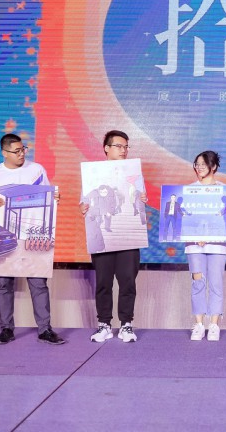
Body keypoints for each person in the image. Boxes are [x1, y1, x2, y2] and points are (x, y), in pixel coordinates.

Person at [0, 134, 65, 346]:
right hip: (3, 233)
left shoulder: (36, 170)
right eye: (16, 151)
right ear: (4, 153)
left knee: (38, 282)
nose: (21, 154)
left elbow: (46, 195)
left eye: (23, 149)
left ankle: (45, 329)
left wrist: (53, 198)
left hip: (33, 233)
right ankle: (6, 329)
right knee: (4, 283)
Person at [82, 130, 143, 343]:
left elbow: (137, 201)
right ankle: (104, 324)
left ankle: (126, 324)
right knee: (103, 282)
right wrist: (84, 207)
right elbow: (86, 202)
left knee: (127, 281)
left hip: (128, 235)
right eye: (119, 146)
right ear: (106, 148)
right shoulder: (93, 174)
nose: (123, 150)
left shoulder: (134, 174)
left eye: (126, 146)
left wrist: (142, 199)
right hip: (104, 236)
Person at [186, 150, 226, 341]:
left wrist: (210, 235)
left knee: (216, 284)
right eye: (197, 164)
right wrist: (196, 235)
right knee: (198, 283)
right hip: (194, 246)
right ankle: (198, 324)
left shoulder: (225, 191)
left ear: (214, 166)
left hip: (217, 246)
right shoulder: (189, 190)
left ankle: (214, 325)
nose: (199, 168)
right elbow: (184, 218)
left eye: (203, 164)